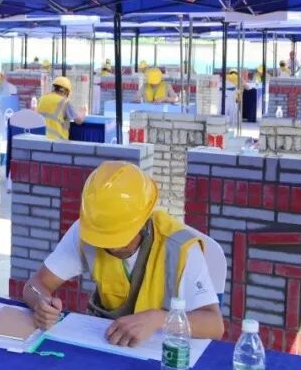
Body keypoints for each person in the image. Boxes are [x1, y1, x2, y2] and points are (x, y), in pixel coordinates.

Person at [23, 161, 224, 343]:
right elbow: (35, 284)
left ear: (143, 219)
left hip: (163, 350)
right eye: (103, 238)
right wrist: (41, 303)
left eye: (118, 236)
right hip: (106, 342)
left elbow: (215, 325)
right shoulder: (88, 229)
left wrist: (158, 319)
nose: (111, 247)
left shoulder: (180, 247)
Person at [36, 76, 84, 140]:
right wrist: (83, 111)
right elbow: (79, 121)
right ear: (66, 91)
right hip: (58, 141)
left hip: (40, 140)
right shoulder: (65, 102)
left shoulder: (42, 99)